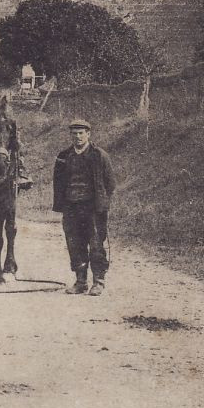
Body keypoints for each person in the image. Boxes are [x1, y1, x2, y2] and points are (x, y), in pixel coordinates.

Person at [52, 117, 118, 296]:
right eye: (74, 134)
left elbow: (110, 183)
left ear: (88, 134)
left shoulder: (99, 155)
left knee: (96, 244)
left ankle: (98, 281)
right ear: (70, 135)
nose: (78, 137)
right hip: (71, 208)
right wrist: (63, 205)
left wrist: (102, 203)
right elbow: (57, 183)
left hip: (93, 209)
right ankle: (80, 281)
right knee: (75, 244)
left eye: (81, 133)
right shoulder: (63, 157)